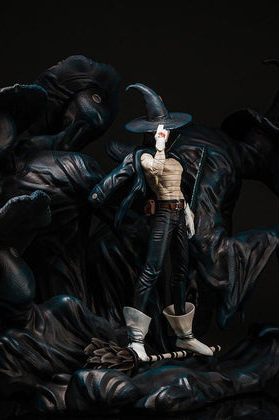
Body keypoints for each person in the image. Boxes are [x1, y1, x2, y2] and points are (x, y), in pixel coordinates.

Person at [91, 84, 213, 361]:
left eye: (167, 130)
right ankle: (136, 339)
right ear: (152, 132)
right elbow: (155, 173)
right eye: (161, 130)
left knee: (180, 270)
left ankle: (185, 334)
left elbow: (178, 187)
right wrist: (158, 147)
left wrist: (188, 211)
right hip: (162, 215)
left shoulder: (174, 157)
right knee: (152, 270)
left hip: (178, 214)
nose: (166, 133)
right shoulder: (144, 156)